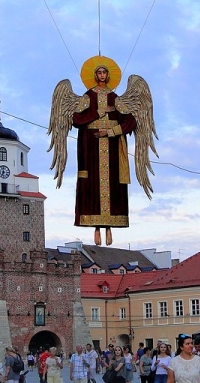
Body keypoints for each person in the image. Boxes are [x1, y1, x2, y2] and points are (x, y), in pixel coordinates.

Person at [69, 60, 138, 246]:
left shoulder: (115, 98)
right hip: (91, 146)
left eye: (104, 72)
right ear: (95, 75)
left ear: (108, 76)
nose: (101, 75)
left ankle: (109, 228)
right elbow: (76, 118)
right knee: (92, 184)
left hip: (112, 146)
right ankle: (96, 228)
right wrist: (97, 112)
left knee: (113, 184)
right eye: (98, 72)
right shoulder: (88, 96)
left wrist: (111, 132)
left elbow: (131, 121)